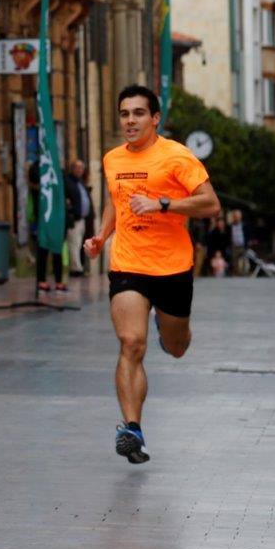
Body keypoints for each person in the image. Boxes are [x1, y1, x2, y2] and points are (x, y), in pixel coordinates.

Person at [84, 84, 220, 465]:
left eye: (138, 113)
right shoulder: (112, 159)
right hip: (128, 263)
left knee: (177, 348)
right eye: (125, 114)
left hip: (173, 266)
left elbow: (210, 204)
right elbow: (117, 202)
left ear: (155, 118)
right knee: (131, 343)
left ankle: (170, 330)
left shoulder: (177, 156)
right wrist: (101, 236)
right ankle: (132, 428)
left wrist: (164, 204)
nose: (130, 120)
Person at [28, 161, 67, 292]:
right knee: (43, 250)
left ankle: (58, 280)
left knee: (56, 249)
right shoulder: (37, 177)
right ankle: (42, 280)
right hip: (42, 218)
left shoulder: (54, 171)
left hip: (54, 218)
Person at [64, 159, 92, 277]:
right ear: (73, 169)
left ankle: (79, 267)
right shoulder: (68, 182)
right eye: (77, 168)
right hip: (74, 219)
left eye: (81, 168)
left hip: (83, 219)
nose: (80, 170)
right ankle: (76, 269)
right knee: (74, 244)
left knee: (79, 244)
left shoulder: (80, 182)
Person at [229, 209, 250, 276]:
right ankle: (236, 274)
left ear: (240, 217)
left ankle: (244, 274)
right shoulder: (231, 226)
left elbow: (247, 235)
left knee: (244, 260)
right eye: (235, 216)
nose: (237, 217)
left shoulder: (244, 225)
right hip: (234, 246)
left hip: (242, 245)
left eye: (238, 216)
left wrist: (248, 243)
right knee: (234, 261)